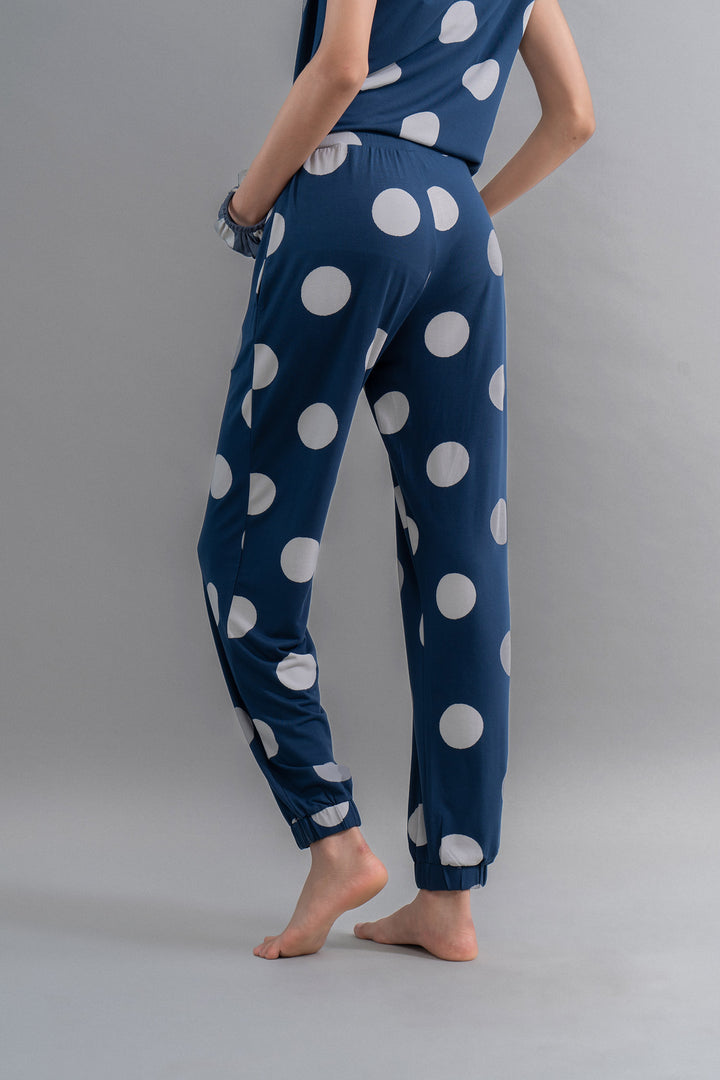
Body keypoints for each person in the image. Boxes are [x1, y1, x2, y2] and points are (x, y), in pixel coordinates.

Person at [196, 0, 595, 962]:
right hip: (461, 232)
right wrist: (457, 213)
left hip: (346, 193)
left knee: (249, 536)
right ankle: (450, 899)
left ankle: (335, 838)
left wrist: (246, 206)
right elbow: (574, 118)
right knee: (461, 558)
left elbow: (341, 69)